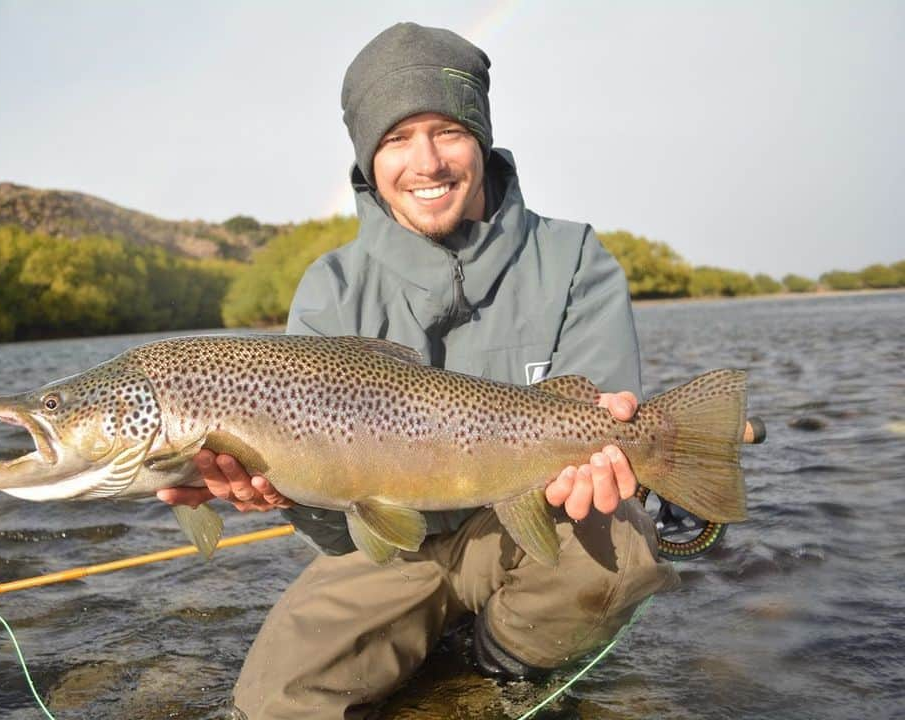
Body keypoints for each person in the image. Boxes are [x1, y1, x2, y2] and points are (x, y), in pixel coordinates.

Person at [159, 22, 679, 719]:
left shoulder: (575, 258)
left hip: (534, 526)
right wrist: (278, 492)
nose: (426, 161)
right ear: (368, 158)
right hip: (392, 556)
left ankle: (499, 667)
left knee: (620, 541)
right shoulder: (329, 289)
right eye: (396, 139)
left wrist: (623, 456)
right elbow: (341, 531)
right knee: (274, 705)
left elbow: (604, 434)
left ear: (482, 139)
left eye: (447, 131)